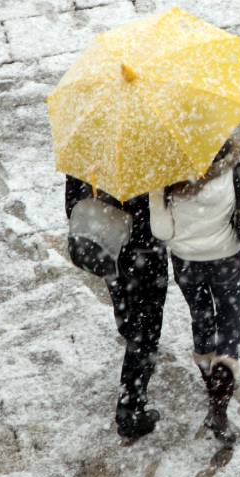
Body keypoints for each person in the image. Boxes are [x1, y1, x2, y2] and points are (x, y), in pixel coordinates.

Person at [149, 138, 240, 443]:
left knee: (201, 318)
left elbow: (161, 231)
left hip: (188, 263)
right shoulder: (238, 163)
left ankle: (208, 376)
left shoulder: (162, 173)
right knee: (229, 320)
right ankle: (220, 403)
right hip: (226, 257)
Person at [64, 178, 168, 441]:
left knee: (126, 307)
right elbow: (163, 215)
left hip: (108, 247)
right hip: (144, 252)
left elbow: (73, 206)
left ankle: (130, 330)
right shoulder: (151, 157)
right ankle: (131, 409)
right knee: (146, 331)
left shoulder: (91, 151)